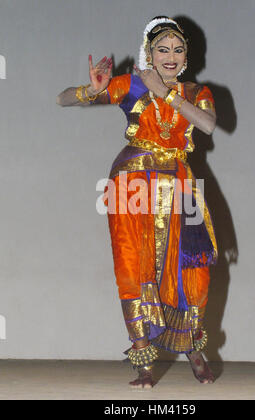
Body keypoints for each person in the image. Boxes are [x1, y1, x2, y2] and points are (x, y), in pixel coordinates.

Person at [56, 16, 218, 389]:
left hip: (180, 186)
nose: (171, 56)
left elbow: (207, 125)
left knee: (194, 270)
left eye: (178, 50)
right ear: (150, 53)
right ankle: (144, 360)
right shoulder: (132, 85)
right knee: (133, 265)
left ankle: (193, 346)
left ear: (186, 57)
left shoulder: (195, 92)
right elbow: (61, 98)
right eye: (163, 49)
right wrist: (90, 90)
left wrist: (167, 94)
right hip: (132, 184)